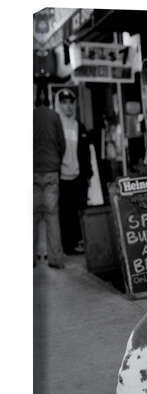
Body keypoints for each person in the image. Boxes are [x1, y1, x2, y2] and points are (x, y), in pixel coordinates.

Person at [55, 88, 93, 254]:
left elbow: (86, 153)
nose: (68, 107)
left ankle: (80, 241)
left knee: (80, 211)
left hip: (79, 177)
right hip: (61, 178)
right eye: (64, 103)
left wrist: (88, 174)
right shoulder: (55, 127)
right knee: (65, 214)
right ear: (59, 104)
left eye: (71, 103)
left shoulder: (80, 126)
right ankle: (68, 246)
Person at [33, 85, 66, 268]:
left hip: (32, 172)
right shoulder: (54, 116)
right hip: (52, 171)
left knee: (33, 217)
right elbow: (62, 143)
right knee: (52, 217)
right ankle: (55, 259)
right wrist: (56, 161)